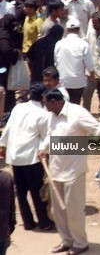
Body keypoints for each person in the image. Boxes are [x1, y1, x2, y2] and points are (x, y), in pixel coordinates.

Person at [40, 89, 100, 255]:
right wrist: (43, 148)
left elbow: (96, 128)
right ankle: (66, 241)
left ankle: (80, 243)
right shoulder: (51, 116)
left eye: (46, 103)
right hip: (55, 169)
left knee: (74, 210)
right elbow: (49, 136)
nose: (44, 106)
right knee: (58, 211)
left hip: (74, 170)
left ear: (55, 102)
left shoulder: (77, 113)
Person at [0, 84, 53, 231]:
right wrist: (45, 152)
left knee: (21, 192)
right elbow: (45, 137)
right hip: (31, 158)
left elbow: (8, 127)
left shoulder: (18, 108)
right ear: (43, 97)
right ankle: (44, 222)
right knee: (36, 191)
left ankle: (28, 222)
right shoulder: (43, 114)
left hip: (15, 156)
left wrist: (3, 145)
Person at [54, 19, 94, 104]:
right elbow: (90, 65)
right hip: (78, 82)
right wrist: (93, 76)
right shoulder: (84, 44)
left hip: (62, 81)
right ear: (79, 29)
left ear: (67, 30)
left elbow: (56, 62)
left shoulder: (59, 44)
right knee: (75, 104)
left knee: (63, 104)